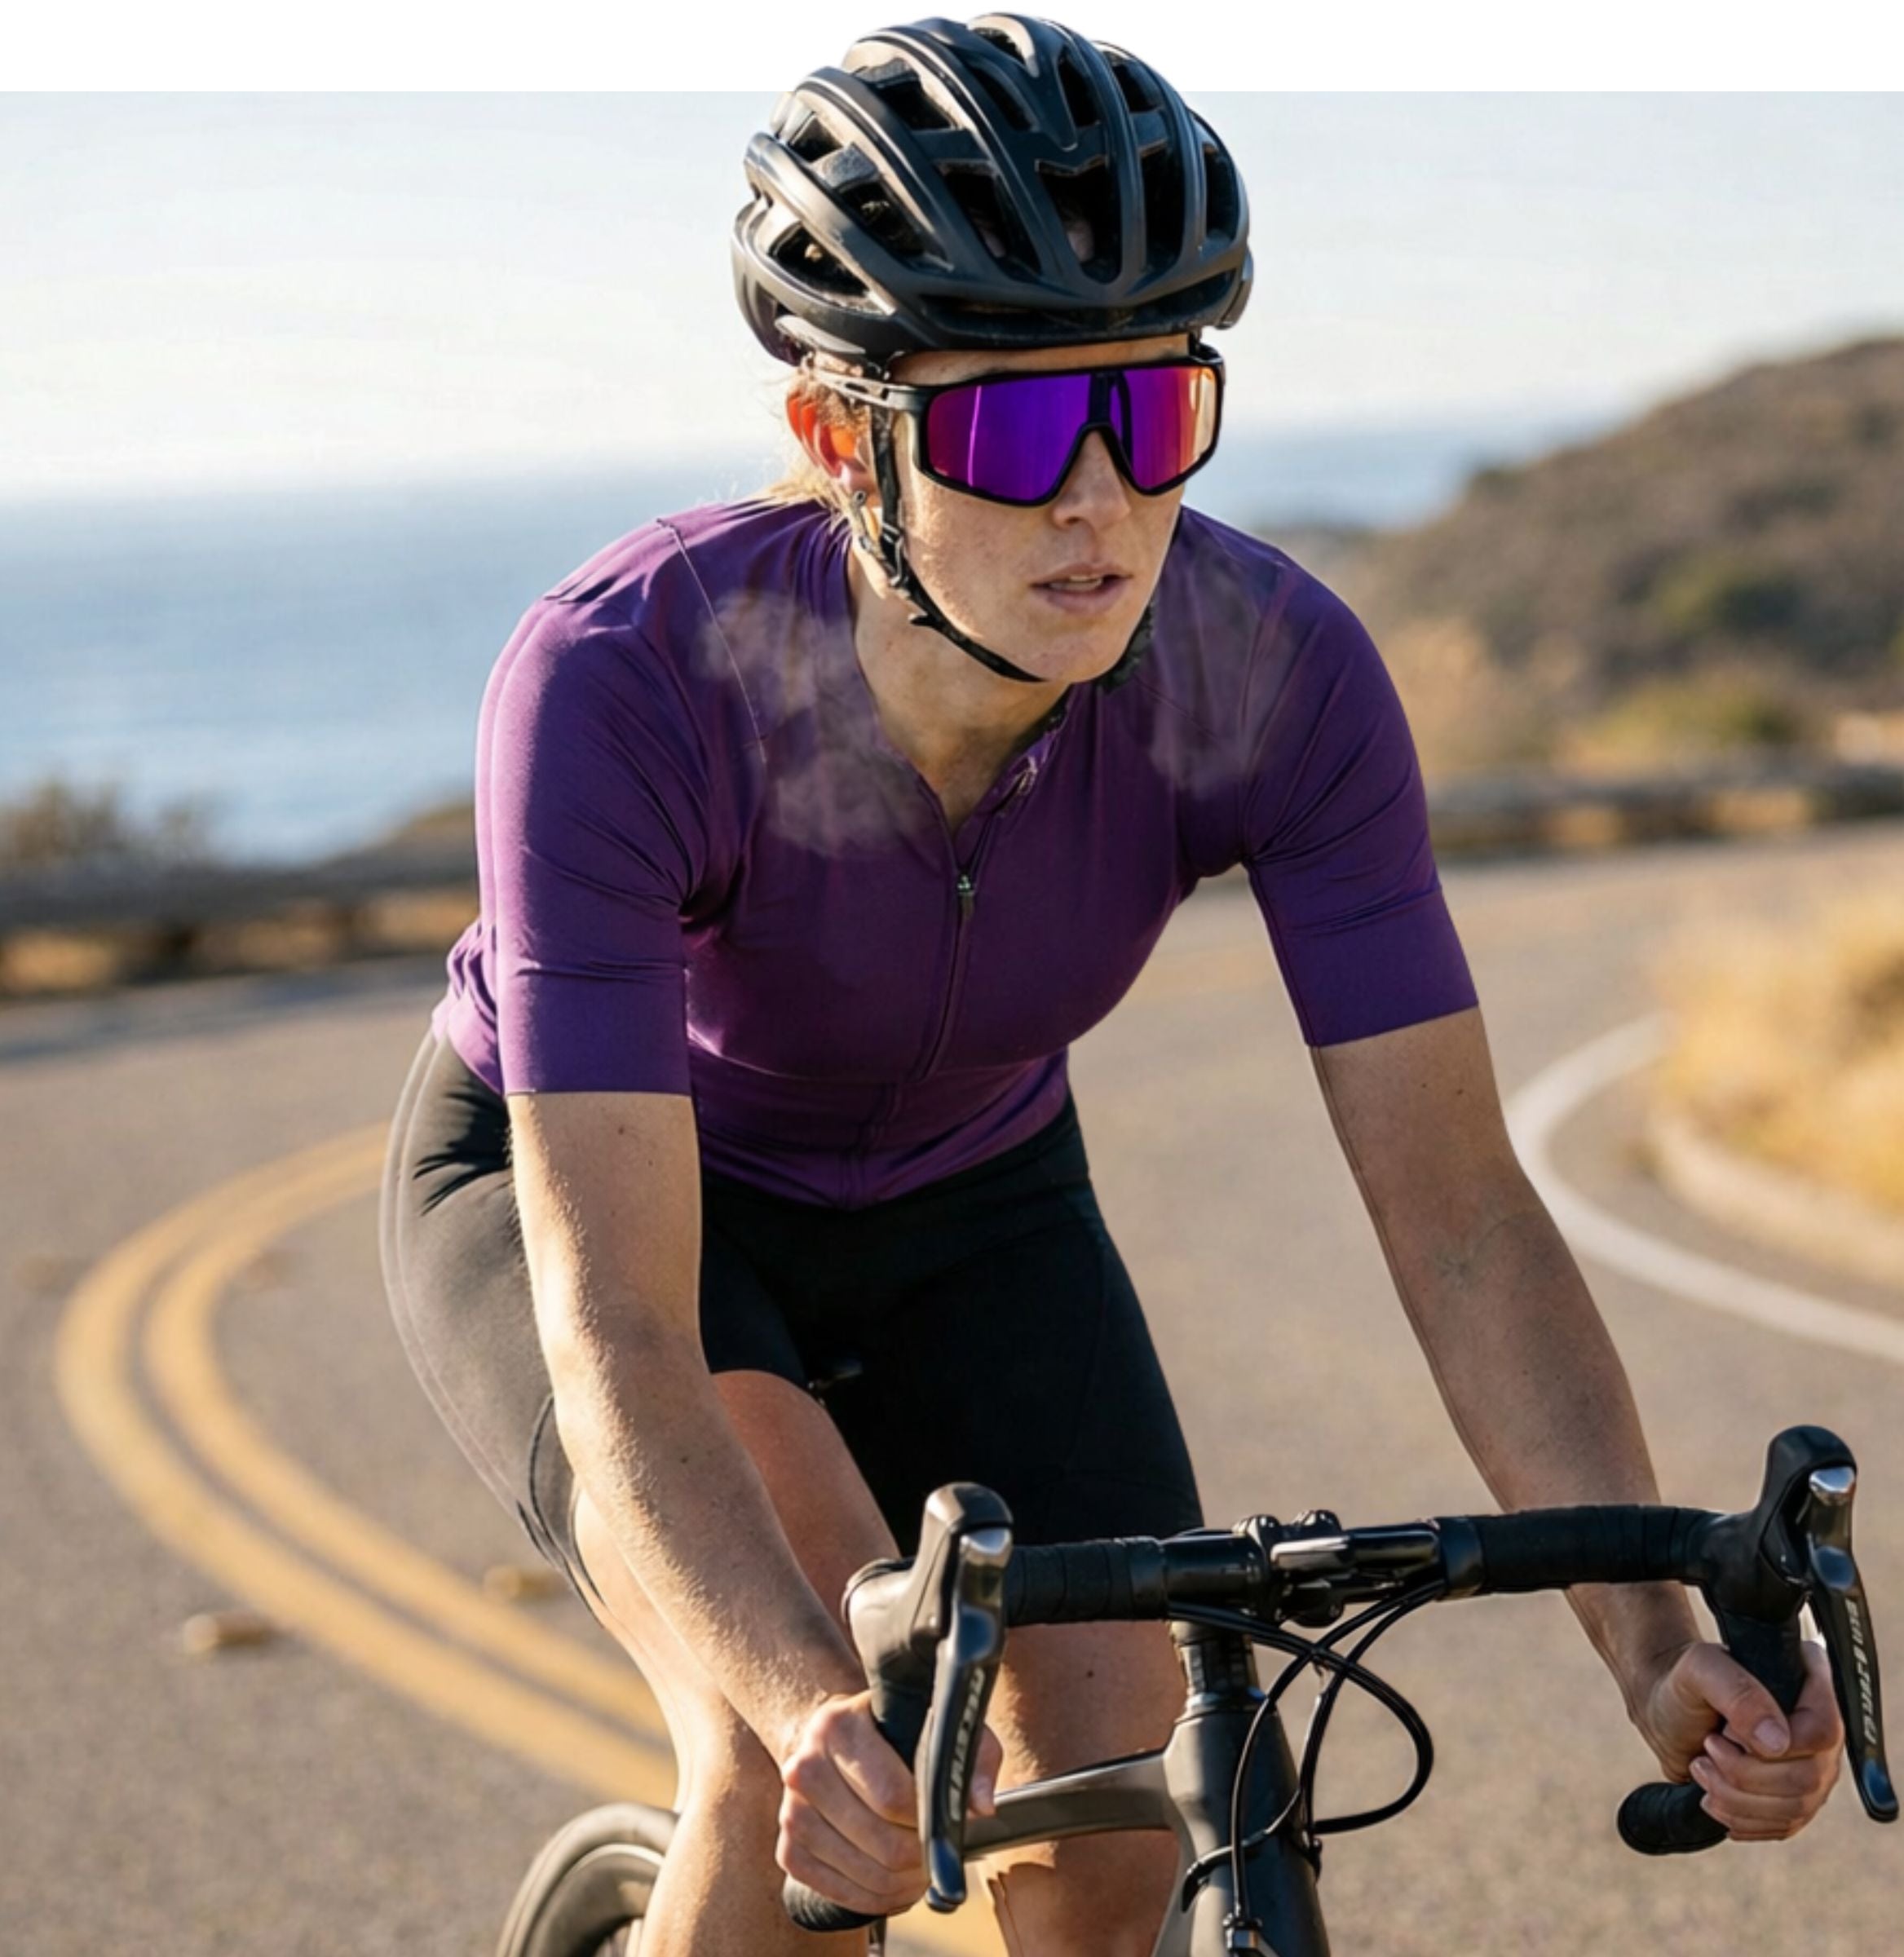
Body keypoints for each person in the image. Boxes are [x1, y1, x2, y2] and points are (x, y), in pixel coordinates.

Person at [378, 15, 1844, 1954]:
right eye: (1005, 428)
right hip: (627, 1217)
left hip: (972, 1197)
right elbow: (626, 1333)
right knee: (792, 1754)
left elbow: (1468, 1221)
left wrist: (1656, 1644)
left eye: (1150, 416)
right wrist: (813, 1710)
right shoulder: (629, 683)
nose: (1093, 501)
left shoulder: (1273, 673)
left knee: (1126, 1829)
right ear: (841, 438)